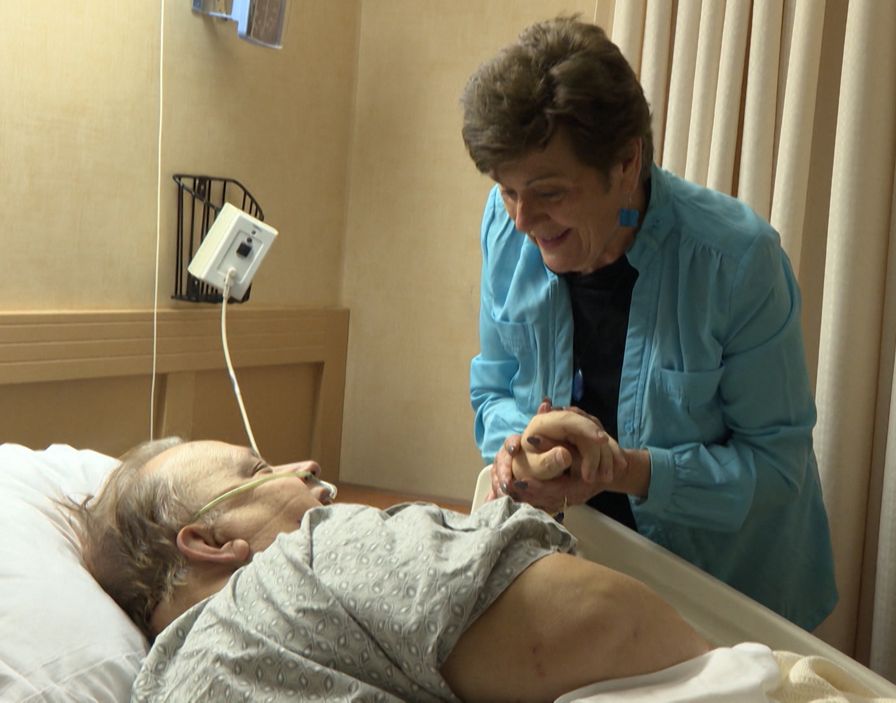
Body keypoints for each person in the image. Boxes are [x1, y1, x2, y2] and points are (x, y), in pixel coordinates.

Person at [461, 15, 837, 629]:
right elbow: (494, 390)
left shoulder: (737, 261)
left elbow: (774, 471)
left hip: (728, 598)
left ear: (626, 160)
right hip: (584, 574)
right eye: (507, 190)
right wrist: (518, 449)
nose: (522, 219)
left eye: (549, 193)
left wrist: (624, 471)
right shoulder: (506, 224)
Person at [64, 437, 710, 702]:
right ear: (208, 540)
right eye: (257, 471)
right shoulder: (308, 559)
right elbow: (620, 629)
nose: (306, 468)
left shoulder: (163, 687)